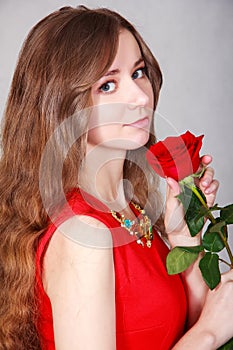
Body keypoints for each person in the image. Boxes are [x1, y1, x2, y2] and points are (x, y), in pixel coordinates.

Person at [0, 5, 233, 350]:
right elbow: (203, 333)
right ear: (63, 104)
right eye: (108, 85)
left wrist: (182, 234)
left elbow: (181, 327)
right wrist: (210, 333)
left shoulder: (129, 211)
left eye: (138, 72)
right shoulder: (83, 235)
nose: (140, 97)